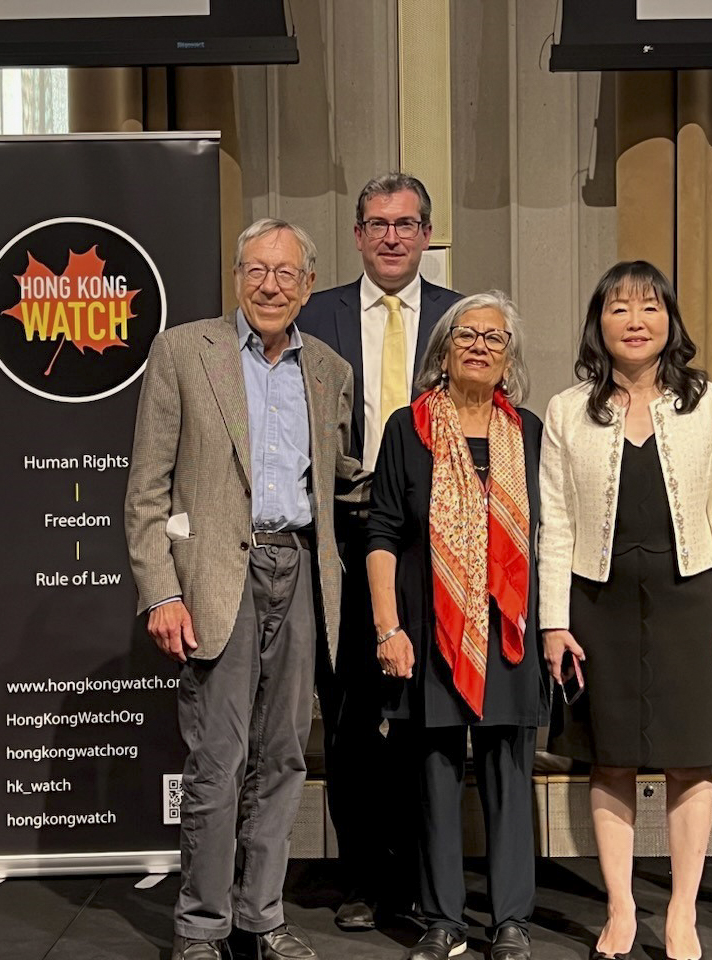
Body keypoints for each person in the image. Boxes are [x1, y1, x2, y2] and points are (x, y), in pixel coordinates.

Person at [124, 218, 367, 960]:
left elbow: (339, 478)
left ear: (307, 285)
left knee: (287, 758)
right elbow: (146, 493)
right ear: (237, 276)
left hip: (299, 575)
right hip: (214, 580)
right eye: (257, 269)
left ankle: (262, 917)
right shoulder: (182, 351)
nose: (270, 285)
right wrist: (161, 593)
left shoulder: (327, 369)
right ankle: (202, 925)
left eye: (286, 273)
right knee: (218, 760)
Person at [538, 261, 712, 960]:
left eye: (650, 308)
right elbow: (557, 523)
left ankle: (684, 912)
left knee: (693, 761)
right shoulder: (570, 408)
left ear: (670, 321)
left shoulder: (706, 400)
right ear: (599, 322)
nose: (636, 321)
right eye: (620, 309)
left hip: (690, 595)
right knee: (610, 760)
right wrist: (554, 619)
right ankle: (623, 910)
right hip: (596, 597)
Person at [298, 171, 461, 930]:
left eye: (406, 223)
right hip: (344, 531)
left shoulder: (462, 317)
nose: (391, 236)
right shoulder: (316, 314)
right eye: (376, 223)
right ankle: (365, 877)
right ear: (357, 235)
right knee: (353, 712)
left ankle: (431, 880)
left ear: (427, 234)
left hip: (439, 542)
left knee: (432, 710)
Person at [366, 291, 546, 960]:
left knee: (508, 773)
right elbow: (382, 531)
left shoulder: (527, 430)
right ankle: (442, 918)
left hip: (509, 633)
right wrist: (389, 628)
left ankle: (512, 921)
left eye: (494, 338)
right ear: (441, 351)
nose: (479, 346)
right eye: (466, 335)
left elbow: (547, 537)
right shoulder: (405, 428)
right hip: (428, 629)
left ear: (509, 359)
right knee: (435, 774)